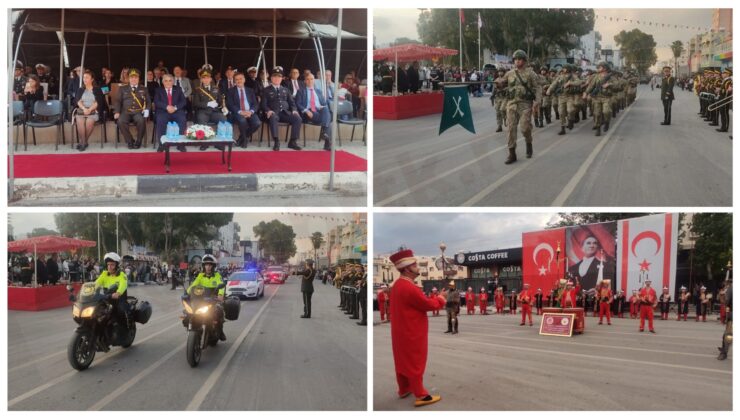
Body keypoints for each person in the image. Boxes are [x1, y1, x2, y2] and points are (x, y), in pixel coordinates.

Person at [388, 249, 445, 407]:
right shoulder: (409, 287)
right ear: (407, 268)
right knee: (415, 361)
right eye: (415, 265)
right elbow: (428, 304)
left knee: (401, 361)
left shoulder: (398, 285)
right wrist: (440, 298)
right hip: (411, 330)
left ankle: (404, 388)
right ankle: (421, 394)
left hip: (400, 331)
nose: (418, 267)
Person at [503, 50, 541, 164]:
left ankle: (528, 142)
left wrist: (537, 101)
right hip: (512, 104)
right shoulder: (509, 74)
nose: (517, 61)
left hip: (525, 104)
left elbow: (538, 88)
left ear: (524, 61)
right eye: (515, 59)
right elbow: (503, 83)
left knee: (525, 128)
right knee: (511, 129)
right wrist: (499, 83)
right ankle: (512, 153)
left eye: (519, 59)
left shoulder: (531, 74)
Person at [261, 67, 302, 151]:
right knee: (273, 117)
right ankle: (276, 141)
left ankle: (292, 142)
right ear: (271, 78)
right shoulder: (266, 90)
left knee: (297, 118)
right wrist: (268, 110)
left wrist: (294, 110)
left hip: (285, 113)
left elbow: (292, 103)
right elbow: (263, 104)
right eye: (275, 76)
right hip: (273, 113)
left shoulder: (286, 90)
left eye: (279, 77)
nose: (277, 78)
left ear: (282, 78)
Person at [186, 254, 226, 341]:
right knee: (188, 313)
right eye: (206, 264)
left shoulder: (217, 276)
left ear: (213, 266)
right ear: (204, 266)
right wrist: (187, 293)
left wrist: (220, 295)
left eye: (210, 265)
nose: (208, 267)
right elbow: (193, 285)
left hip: (213, 300)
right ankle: (193, 328)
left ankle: (220, 331)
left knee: (219, 311)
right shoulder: (200, 276)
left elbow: (221, 286)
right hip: (201, 300)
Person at [113, 68, 150, 149]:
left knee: (141, 120)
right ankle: (130, 141)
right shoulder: (122, 89)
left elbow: (148, 102)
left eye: (136, 77)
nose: (133, 79)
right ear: (128, 78)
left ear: (138, 79)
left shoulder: (144, 89)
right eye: (132, 77)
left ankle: (139, 141)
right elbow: (118, 101)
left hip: (138, 112)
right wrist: (117, 112)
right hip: (125, 112)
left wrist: (147, 109)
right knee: (120, 121)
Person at [296, 72, 332, 151]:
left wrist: (321, 107)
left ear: (314, 80)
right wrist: (306, 111)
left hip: (319, 112)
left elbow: (324, 103)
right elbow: (298, 104)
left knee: (326, 109)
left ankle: (325, 134)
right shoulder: (301, 91)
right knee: (328, 121)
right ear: (305, 81)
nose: (310, 81)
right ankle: (327, 141)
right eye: (307, 79)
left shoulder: (318, 91)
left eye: (312, 79)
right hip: (308, 113)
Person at [192, 69, 227, 148]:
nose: (206, 79)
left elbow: (221, 100)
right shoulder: (198, 90)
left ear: (211, 79)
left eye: (207, 77)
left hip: (215, 111)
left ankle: (218, 143)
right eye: (203, 78)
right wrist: (207, 104)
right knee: (201, 119)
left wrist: (221, 105)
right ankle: (205, 143)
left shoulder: (216, 88)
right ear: (201, 79)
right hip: (203, 111)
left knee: (223, 119)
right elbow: (196, 103)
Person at [226, 72, 261, 148]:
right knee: (242, 121)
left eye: (241, 79)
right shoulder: (230, 91)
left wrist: (250, 112)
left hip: (249, 112)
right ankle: (244, 140)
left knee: (257, 123)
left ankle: (241, 138)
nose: (239, 81)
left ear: (244, 79)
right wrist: (241, 112)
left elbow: (255, 104)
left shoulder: (250, 90)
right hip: (238, 112)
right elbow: (230, 104)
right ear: (234, 81)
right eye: (236, 79)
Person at [153, 74, 187, 150]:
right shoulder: (158, 90)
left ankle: (180, 144)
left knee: (182, 119)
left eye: (170, 80)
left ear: (173, 82)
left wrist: (175, 108)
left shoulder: (178, 89)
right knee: (160, 119)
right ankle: (162, 144)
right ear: (163, 82)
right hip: (163, 111)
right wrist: (166, 107)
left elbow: (183, 101)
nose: (168, 82)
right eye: (166, 81)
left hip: (176, 111)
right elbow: (156, 101)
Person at [73, 70, 104, 151]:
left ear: (92, 79)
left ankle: (83, 142)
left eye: (87, 77)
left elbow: (98, 102)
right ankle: (84, 142)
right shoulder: (80, 89)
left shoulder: (97, 89)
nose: (84, 79)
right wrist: (84, 109)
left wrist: (89, 109)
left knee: (89, 121)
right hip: (82, 110)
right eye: (84, 77)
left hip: (93, 111)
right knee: (79, 120)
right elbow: (78, 101)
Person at [94, 252, 128, 324]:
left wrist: (118, 292)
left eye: (112, 265)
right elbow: (96, 283)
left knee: (120, 311)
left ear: (117, 265)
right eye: (108, 264)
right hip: (107, 298)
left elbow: (123, 284)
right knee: (96, 311)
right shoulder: (104, 274)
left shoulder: (122, 275)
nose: (109, 266)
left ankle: (123, 328)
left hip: (119, 299)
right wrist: (89, 289)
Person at [584, 61, 613, 136]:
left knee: (606, 111)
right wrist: (586, 93)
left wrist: (609, 84)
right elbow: (591, 86)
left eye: (600, 67)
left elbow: (618, 85)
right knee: (597, 114)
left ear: (604, 68)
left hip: (606, 97)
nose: (598, 68)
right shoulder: (596, 76)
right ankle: (598, 128)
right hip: (597, 97)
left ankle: (607, 122)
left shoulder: (610, 76)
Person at [717, 277, 732, 360]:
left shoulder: (731, 289)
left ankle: (724, 352)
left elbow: (725, 302)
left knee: (728, 335)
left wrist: (722, 296)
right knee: (727, 335)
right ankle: (724, 350)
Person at [493, 68, 508, 133]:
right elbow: (494, 89)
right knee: (498, 112)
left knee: (503, 109)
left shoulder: (507, 79)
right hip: (498, 97)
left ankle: (505, 119)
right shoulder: (496, 80)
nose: (500, 73)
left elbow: (510, 87)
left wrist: (504, 89)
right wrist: (492, 95)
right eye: (499, 72)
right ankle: (499, 125)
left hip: (505, 97)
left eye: (501, 72)